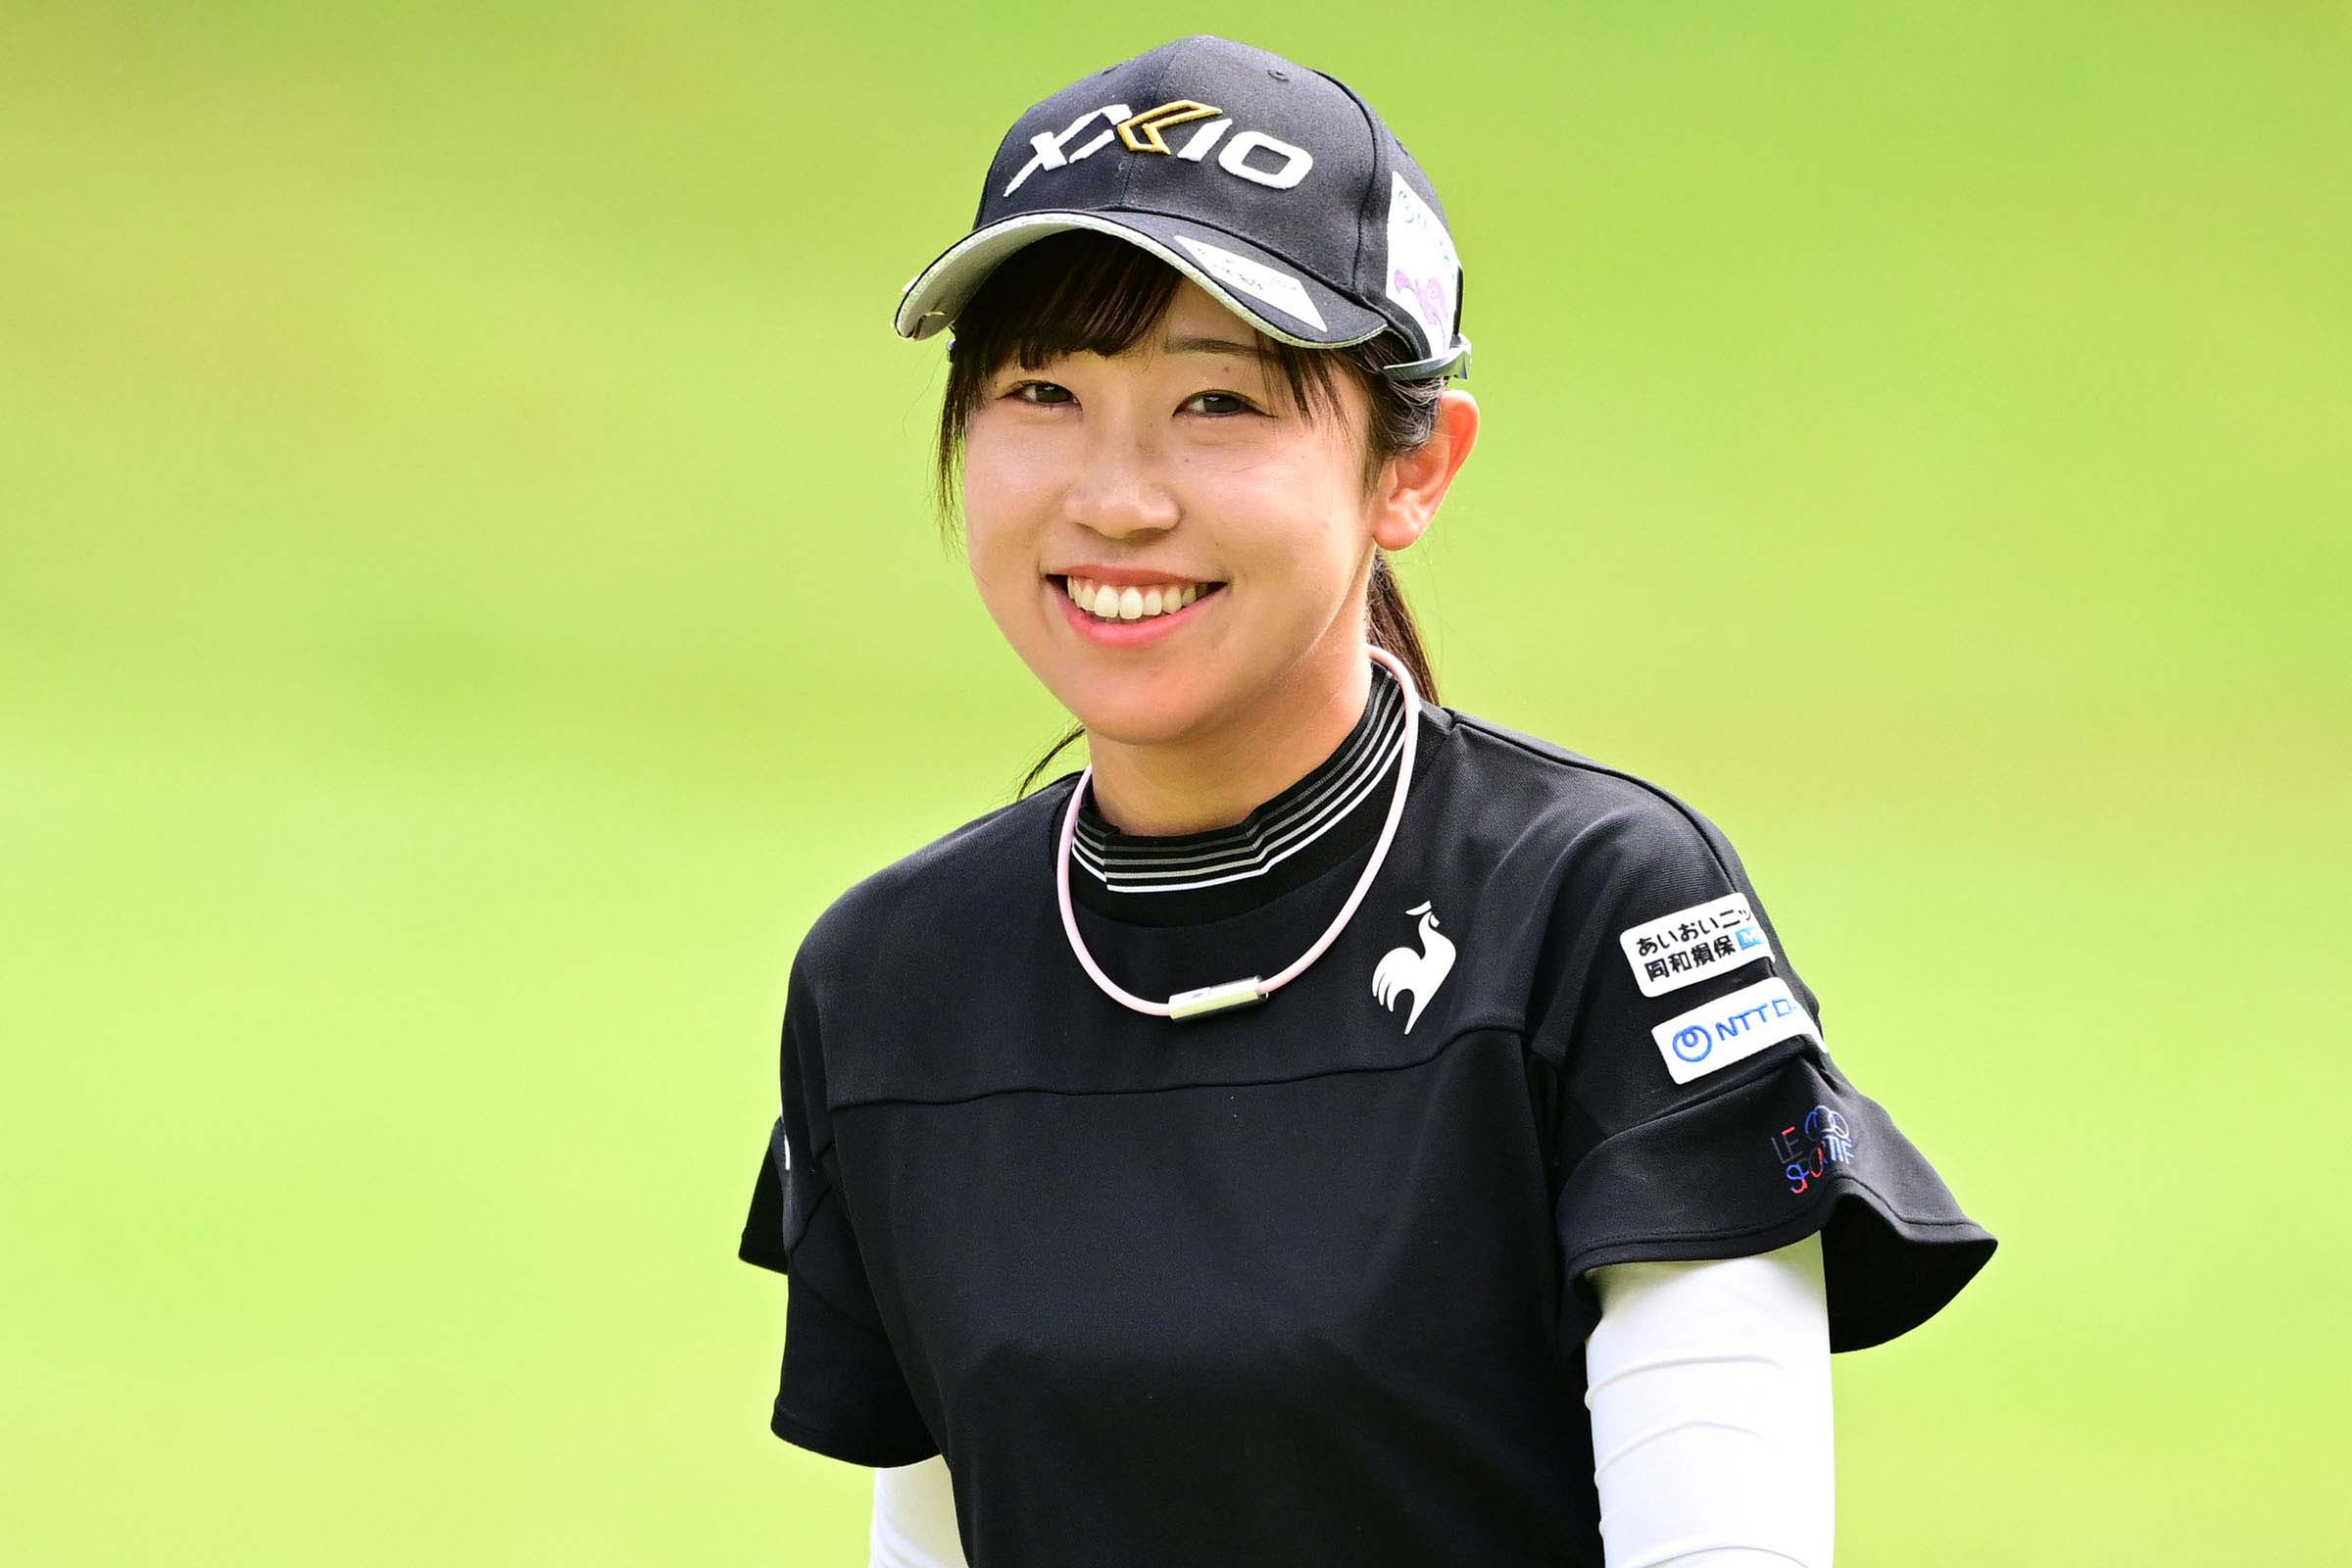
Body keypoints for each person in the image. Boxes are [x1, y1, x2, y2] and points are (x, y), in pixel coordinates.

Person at [736, 33, 1994, 1568]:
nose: (1115, 497)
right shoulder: (893, 981)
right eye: (1043, 390)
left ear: (1415, 470)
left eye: (1218, 403)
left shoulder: (1599, 913)